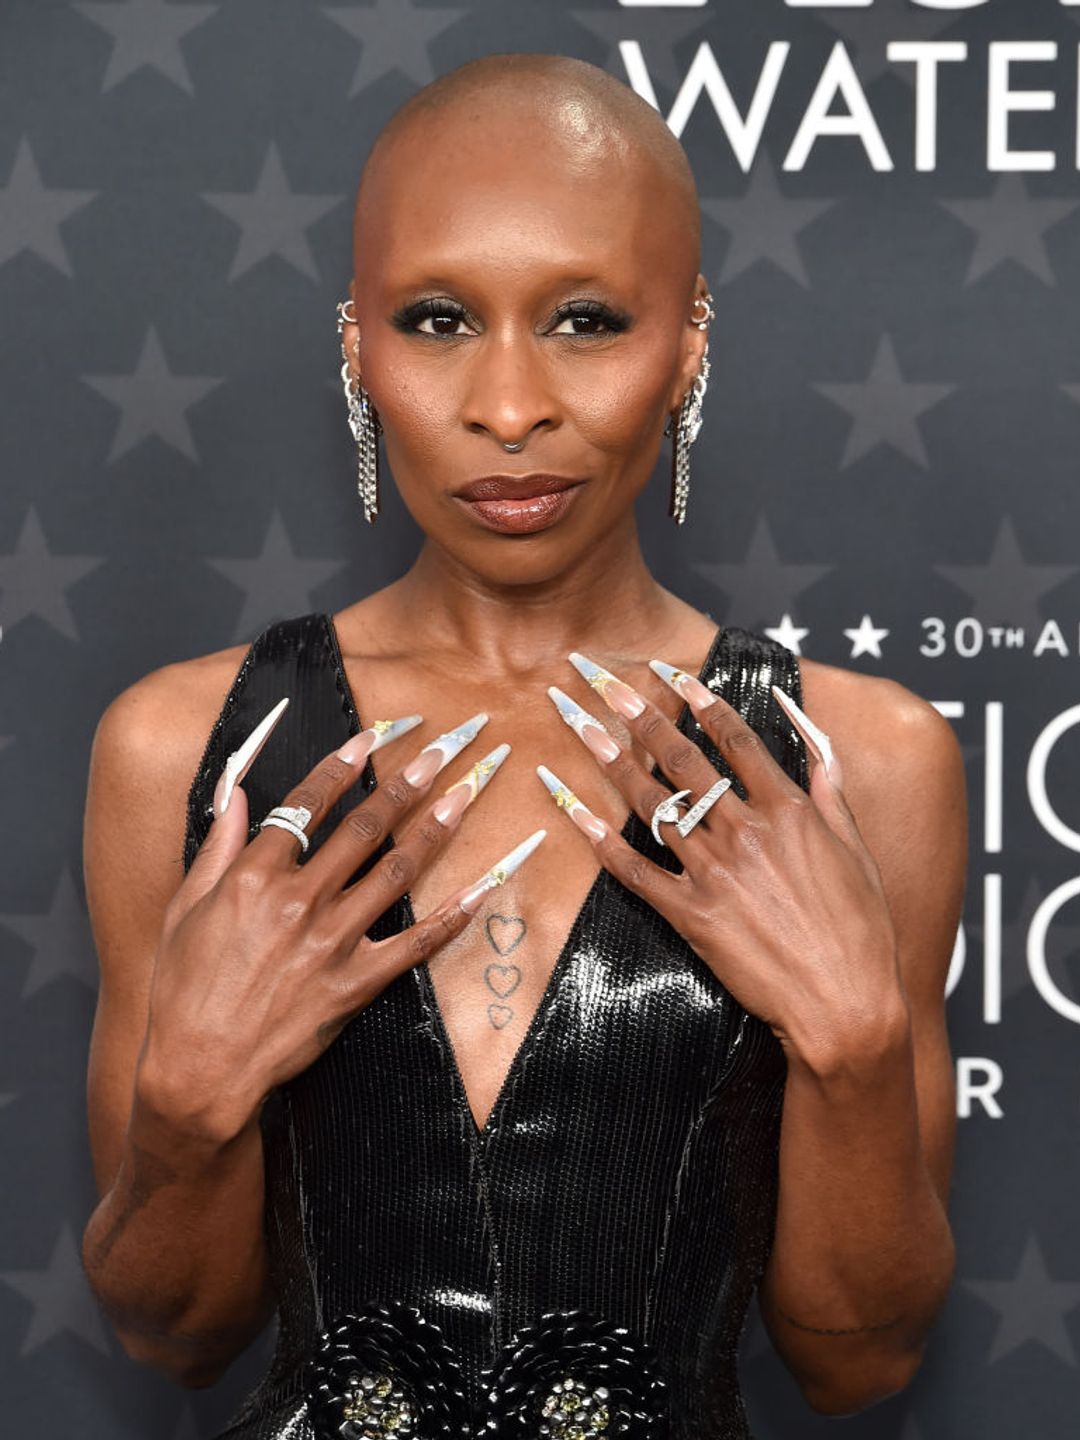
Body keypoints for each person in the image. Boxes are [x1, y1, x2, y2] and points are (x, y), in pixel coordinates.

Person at [80, 53, 966, 1440]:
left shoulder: (861, 760)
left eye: (587, 320)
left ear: (690, 341)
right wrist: (187, 1112)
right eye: (436, 319)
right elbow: (171, 1336)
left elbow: (865, 1365)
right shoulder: (192, 747)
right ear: (354, 344)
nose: (509, 405)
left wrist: (854, 1047)